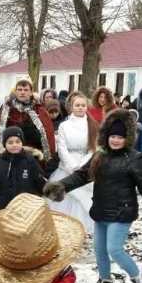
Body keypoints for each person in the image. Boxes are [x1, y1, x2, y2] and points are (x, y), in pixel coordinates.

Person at [45, 108, 142, 283]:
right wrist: (61, 186)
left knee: (115, 249)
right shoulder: (100, 155)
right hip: (101, 209)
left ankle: (141, 282)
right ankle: (105, 282)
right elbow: (81, 175)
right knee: (99, 249)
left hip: (122, 212)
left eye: (120, 137)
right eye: (113, 136)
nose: (115, 140)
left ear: (127, 138)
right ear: (106, 136)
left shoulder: (134, 159)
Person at [48, 91, 97, 231]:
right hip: (67, 166)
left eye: (83, 105)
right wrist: (72, 166)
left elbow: (94, 149)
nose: (80, 108)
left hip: (86, 165)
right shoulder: (64, 126)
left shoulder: (92, 125)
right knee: (66, 195)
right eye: (77, 105)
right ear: (71, 107)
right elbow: (62, 148)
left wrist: (83, 167)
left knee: (84, 199)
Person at [0, 126, 47, 211]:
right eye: (10, 142)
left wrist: (53, 191)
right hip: (4, 209)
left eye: (17, 141)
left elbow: (40, 183)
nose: (14, 145)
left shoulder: (30, 161)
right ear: (5, 144)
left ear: (22, 142)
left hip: (26, 212)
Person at [0, 77, 55, 162]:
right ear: (16, 92)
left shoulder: (40, 111)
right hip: (10, 157)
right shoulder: (6, 111)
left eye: (25, 90)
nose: (22, 92)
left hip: (34, 159)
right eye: (20, 89)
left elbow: (49, 138)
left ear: (31, 92)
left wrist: (34, 135)